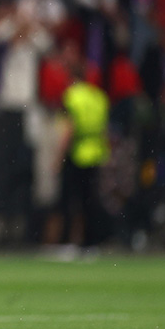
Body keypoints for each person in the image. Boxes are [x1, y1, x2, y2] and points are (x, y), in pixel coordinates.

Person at [57, 61, 111, 250]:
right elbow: (104, 129)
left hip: (77, 153)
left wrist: (58, 157)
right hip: (96, 153)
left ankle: (68, 241)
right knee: (91, 201)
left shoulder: (73, 96)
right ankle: (91, 241)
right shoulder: (98, 97)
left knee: (70, 200)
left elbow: (70, 128)